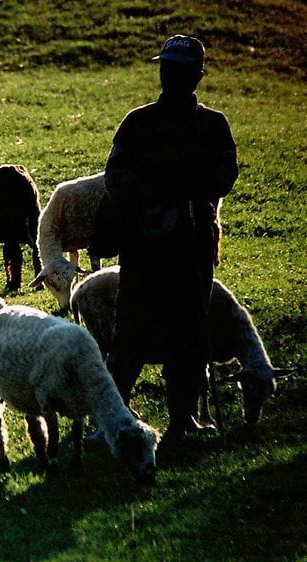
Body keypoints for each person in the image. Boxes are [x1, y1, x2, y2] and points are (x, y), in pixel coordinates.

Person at [91, 35, 239, 438]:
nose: (169, 75)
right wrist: (152, 198)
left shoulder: (212, 125)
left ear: (197, 76)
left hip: (192, 243)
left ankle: (182, 418)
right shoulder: (138, 122)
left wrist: (183, 183)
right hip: (145, 243)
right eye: (165, 68)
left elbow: (224, 177)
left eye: (179, 70)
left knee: (189, 331)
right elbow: (115, 178)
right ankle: (111, 417)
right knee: (130, 330)